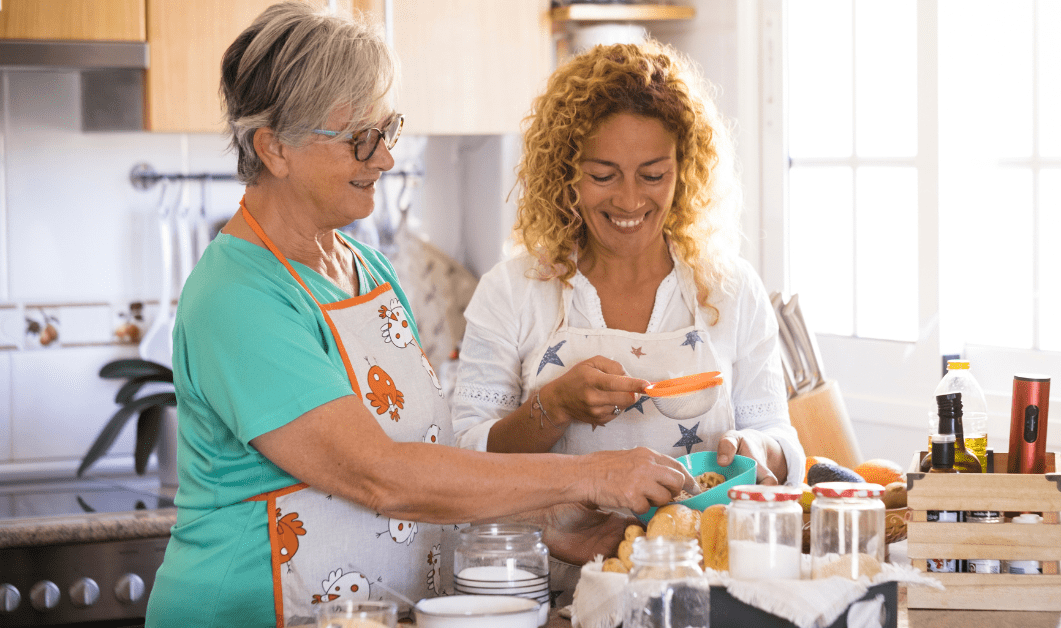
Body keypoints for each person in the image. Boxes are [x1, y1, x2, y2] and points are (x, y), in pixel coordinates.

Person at [144, 5, 691, 626]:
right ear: (274, 149)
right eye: (359, 139)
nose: (384, 159)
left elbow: (427, 457)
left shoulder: (368, 270)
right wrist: (589, 476)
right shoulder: (238, 297)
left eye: (388, 130)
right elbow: (383, 477)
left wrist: (542, 522)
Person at [452, 40, 805, 487]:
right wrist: (553, 408)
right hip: (553, 558)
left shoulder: (731, 289)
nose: (630, 200)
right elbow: (464, 456)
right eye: (603, 175)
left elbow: (779, 437)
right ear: (567, 171)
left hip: (697, 553)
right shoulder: (512, 290)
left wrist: (759, 450)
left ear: (684, 169)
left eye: (653, 175)